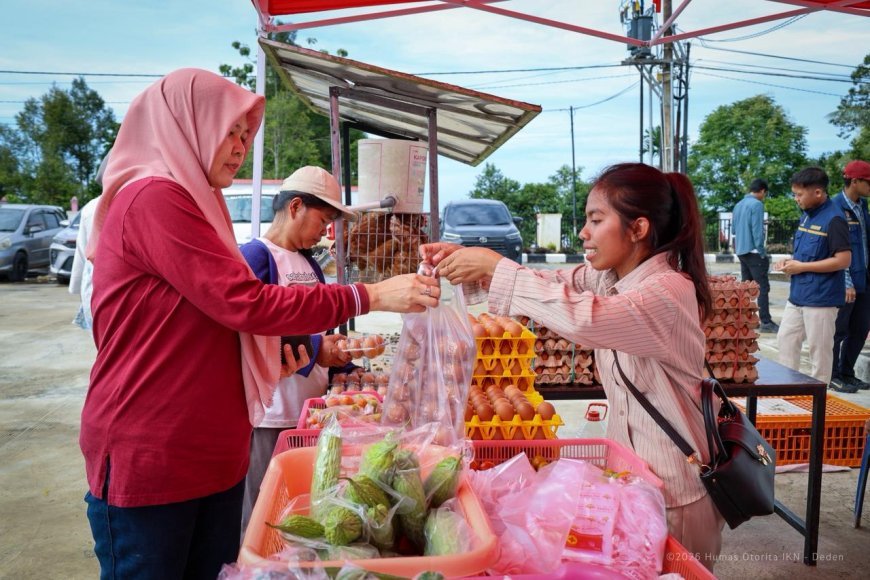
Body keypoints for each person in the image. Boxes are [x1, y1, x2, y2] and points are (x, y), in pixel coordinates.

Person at [80, 68, 440, 580]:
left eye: (246, 136)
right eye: (230, 131)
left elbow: (207, 324)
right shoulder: (153, 198)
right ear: (187, 124)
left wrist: (272, 356)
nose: (240, 147)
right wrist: (371, 294)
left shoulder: (203, 209)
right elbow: (242, 301)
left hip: (211, 452)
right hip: (155, 453)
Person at [422, 163, 724, 570]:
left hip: (675, 494)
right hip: (634, 480)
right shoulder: (614, 277)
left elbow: (585, 320)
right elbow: (552, 283)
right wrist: (465, 267)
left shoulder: (666, 291)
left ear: (638, 229)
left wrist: (495, 267)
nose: (583, 232)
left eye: (596, 220)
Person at [238, 165, 356, 536]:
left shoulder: (308, 263)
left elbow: (318, 325)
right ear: (295, 207)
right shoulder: (256, 257)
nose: (324, 232)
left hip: (310, 412)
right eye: (322, 220)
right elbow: (249, 338)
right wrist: (318, 348)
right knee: (265, 511)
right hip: (271, 416)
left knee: (305, 510)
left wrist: (340, 363)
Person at [774, 167, 851, 387]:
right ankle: (787, 394)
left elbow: (843, 260)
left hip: (822, 299)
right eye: (795, 194)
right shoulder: (807, 216)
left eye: (799, 194)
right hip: (798, 295)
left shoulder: (834, 218)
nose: (796, 199)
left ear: (817, 193)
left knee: (820, 353)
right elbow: (804, 254)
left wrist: (803, 266)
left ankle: (818, 408)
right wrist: (789, 262)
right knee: (786, 341)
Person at [830, 160, 870, 393]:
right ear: (855, 181)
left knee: (860, 329)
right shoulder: (835, 208)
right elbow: (837, 247)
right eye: (868, 182)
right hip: (846, 282)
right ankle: (833, 375)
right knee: (839, 330)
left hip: (864, 278)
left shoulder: (862, 206)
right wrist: (845, 281)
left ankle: (847, 372)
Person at [69, 152, 110, 331]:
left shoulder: (91, 206)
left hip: (93, 291)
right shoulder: (134, 199)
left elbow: (81, 253)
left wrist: (77, 288)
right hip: (110, 292)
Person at [732, 178, 778, 333]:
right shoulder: (757, 205)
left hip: (741, 250)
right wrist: (762, 251)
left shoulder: (738, 205)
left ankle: (744, 320)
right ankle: (765, 321)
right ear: (762, 191)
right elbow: (757, 231)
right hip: (753, 251)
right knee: (762, 287)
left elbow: (733, 230)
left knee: (746, 288)